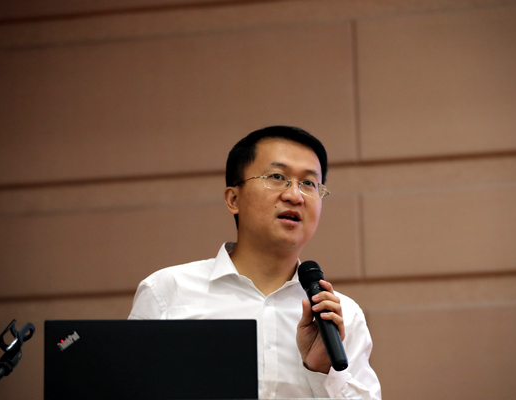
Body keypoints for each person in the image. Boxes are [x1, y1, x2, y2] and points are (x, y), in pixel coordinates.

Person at [129, 125, 381, 399]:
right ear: (233, 199)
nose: (295, 196)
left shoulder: (340, 316)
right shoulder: (168, 292)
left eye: (308, 183)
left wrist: (322, 371)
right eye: (277, 177)